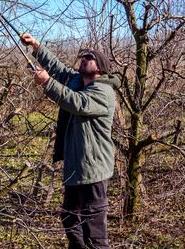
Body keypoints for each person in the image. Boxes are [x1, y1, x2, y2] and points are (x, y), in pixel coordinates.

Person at [21, 33, 121, 249]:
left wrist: (47, 82)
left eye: (89, 57)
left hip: (93, 170)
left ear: (100, 67)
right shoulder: (78, 81)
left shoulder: (103, 92)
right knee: (69, 218)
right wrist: (36, 47)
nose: (83, 59)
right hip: (76, 168)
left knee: (94, 229)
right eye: (83, 56)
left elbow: (76, 102)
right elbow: (58, 69)